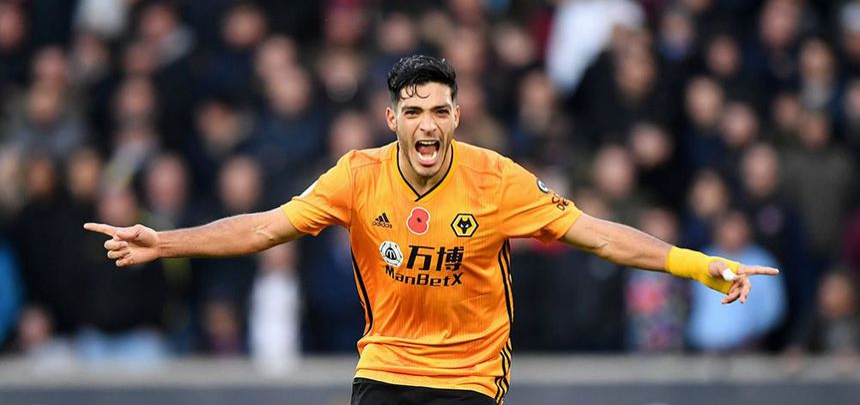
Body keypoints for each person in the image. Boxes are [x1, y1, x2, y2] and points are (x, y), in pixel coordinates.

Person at [85, 55, 779, 404]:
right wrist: (165, 242)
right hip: (385, 365)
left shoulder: (496, 179)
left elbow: (596, 234)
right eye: (414, 111)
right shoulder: (357, 175)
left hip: (470, 375)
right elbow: (266, 228)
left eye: (440, 111)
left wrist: (697, 264)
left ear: (456, 117)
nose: (427, 124)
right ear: (392, 119)